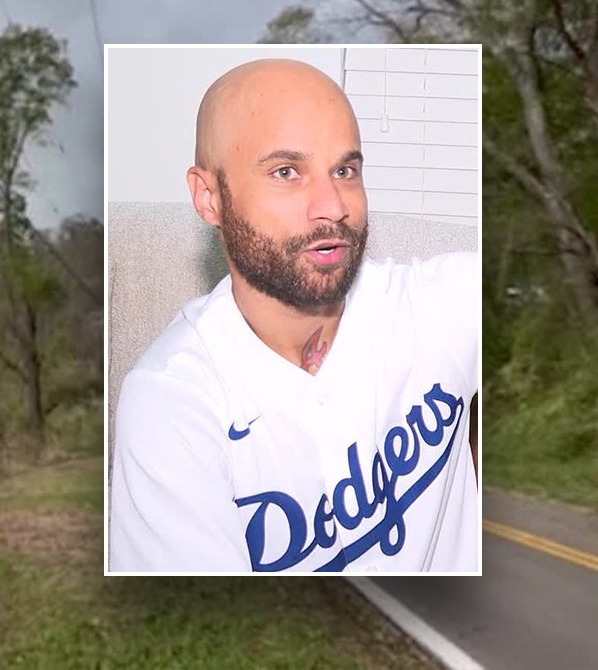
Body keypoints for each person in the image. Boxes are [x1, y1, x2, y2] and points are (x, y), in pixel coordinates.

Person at [108, 59, 479, 573]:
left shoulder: (435, 307)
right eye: (286, 172)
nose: (332, 205)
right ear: (207, 196)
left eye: (345, 171)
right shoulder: (172, 401)